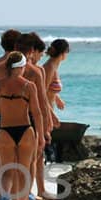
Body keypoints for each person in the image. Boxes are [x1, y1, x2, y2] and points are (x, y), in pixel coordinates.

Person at [0, 51, 43, 200]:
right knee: (24, 170)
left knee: (8, 170)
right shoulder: (29, 86)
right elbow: (36, 113)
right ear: (21, 67)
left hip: (5, 131)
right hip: (25, 130)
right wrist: (41, 135)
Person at [19, 33, 54, 200]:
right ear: (33, 50)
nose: (40, 57)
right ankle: (27, 196)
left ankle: (15, 195)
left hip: (8, 119)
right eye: (39, 53)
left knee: (14, 160)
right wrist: (46, 128)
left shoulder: (3, 68)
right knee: (32, 159)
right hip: (31, 119)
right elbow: (42, 102)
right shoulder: (35, 71)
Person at [41, 38, 70, 171]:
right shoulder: (49, 67)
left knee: (47, 144)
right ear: (64, 52)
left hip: (49, 109)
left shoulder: (54, 66)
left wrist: (57, 98)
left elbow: (47, 89)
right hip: (43, 111)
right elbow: (41, 94)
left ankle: (44, 175)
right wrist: (52, 115)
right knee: (45, 145)